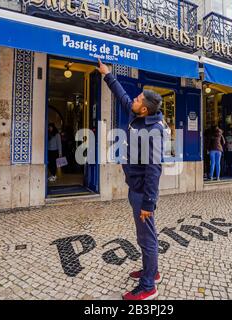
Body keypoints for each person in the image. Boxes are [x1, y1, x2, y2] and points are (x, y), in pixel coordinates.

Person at [97, 58, 164, 301]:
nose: (133, 100)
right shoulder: (140, 117)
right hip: (134, 188)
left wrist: (148, 202)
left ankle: (148, 287)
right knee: (147, 235)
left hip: (141, 192)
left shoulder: (154, 131)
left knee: (146, 239)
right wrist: (107, 74)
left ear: (144, 109)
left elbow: (154, 170)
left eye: (138, 100)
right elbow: (122, 96)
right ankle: (152, 272)